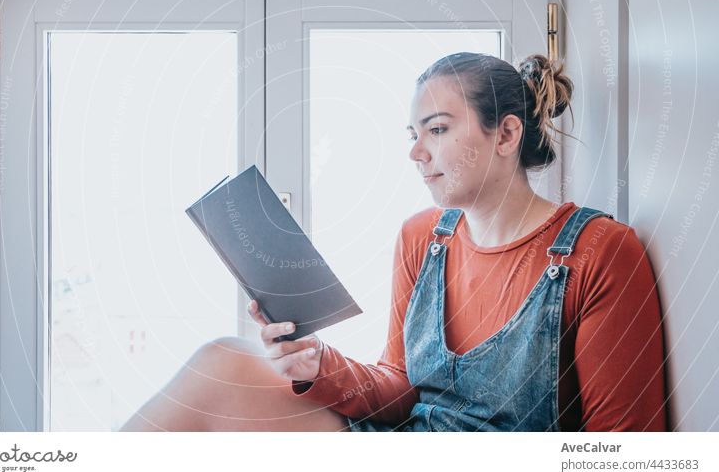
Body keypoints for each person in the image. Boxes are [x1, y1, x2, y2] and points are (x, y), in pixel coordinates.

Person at [120, 52, 667, 432]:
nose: (417, 153)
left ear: (505, 134)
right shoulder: (422, 236)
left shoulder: (600, 252)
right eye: (414, 135)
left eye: (437, 129)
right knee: (220, 361)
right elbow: (401, 390)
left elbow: (624, 447)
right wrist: (317, 364)